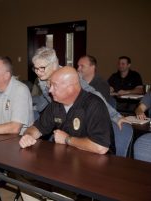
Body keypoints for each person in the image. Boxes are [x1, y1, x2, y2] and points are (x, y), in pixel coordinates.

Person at [19, 67, 115, 201]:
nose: (50, 90)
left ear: (71, 88)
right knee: (21, 171)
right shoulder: (56, 105)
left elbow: (101, 147)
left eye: (54, 86)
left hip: (96, 168)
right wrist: (28, 135)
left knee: (59, 185)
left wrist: (67, 139)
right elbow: (37, 127)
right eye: (50, 85)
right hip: (66, 161)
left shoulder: (94, 105)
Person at [31, 47, 125, 128]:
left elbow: (94, 94)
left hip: (78, 122)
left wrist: (116, 116)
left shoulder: (70, 76)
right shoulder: (42, 78)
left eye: (42, 68)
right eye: (35, 68)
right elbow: (48, 100)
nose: (38, 72)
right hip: (60, 120)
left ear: (54, 64)